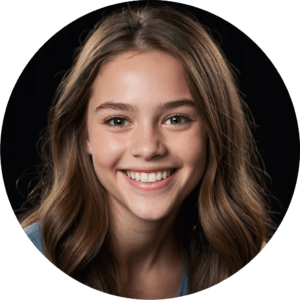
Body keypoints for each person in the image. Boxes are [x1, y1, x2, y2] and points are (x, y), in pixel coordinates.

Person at [20, 3, 274, 299]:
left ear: (212, 131)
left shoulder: (249, 266)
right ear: (84, 135)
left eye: (176, 119)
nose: (148, 148)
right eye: (117, 121)